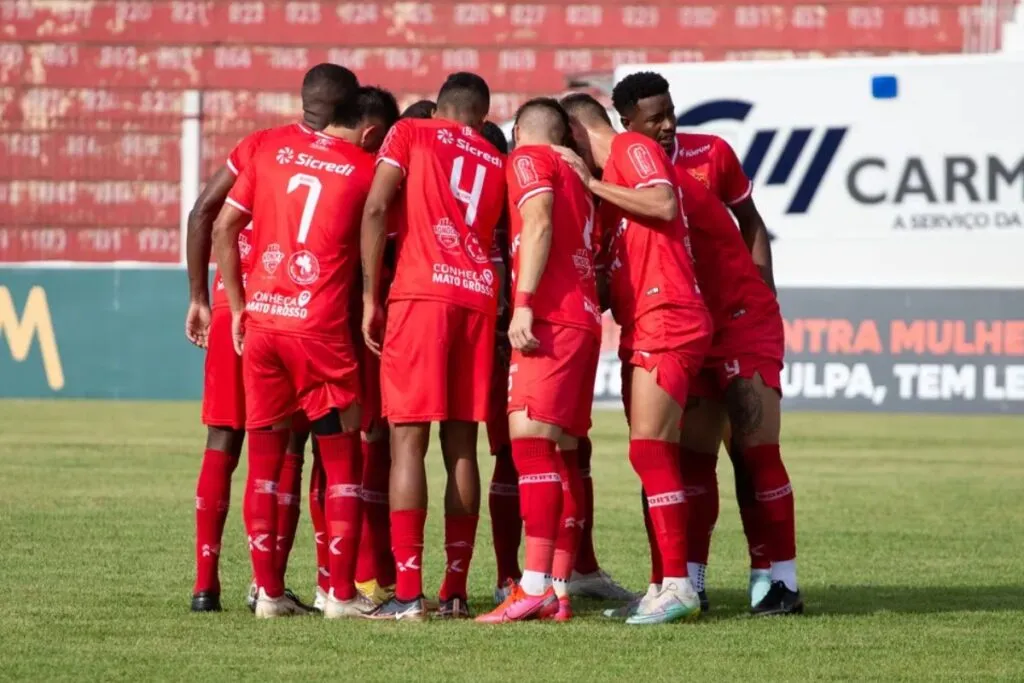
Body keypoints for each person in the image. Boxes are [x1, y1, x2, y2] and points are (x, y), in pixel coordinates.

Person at [612, 71, 802, 615]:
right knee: (691, 461)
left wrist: (761, 294)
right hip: (685, 330)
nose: (670, 125)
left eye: (671, 112)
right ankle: (688, 583)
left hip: (741, 323)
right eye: (656, 119)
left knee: (754, 450)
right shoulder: (625, 171)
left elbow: (752, 223)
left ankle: (778, 581)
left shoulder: (711, 153)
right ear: (629, 124)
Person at [184, 63, 359, 613]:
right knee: (294, 450)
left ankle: (205, 585)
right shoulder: (352, 163)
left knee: (225, 443)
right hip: (295, 311)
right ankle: (274, 585)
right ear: (351, 111)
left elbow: (204, 211)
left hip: (241, 306)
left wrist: (199, 297)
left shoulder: (262, 145)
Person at [211, 84, 390, 620]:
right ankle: (339, 594)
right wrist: (367, 298)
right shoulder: (363, 169)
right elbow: (382, 229)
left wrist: (238, 305)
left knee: (264, 464)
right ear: (370, 131)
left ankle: (267, 594)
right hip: (319, 331)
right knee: (341, 461)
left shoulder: (269, 153)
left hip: (263, 325)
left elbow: (222, 225)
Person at [558, 93, 711, 625]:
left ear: (579, 133)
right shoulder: (610, 202)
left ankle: (679, 586)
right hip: (644, 322)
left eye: (565, 142)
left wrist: (590, 182)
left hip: (667, 315)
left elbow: (664, 203)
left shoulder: (630, 147)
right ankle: (660, 584)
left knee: (651, 453)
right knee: (654, 456)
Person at [361, 72, 507, 621]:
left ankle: (406, 594)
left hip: (422, 294)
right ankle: (454, 592)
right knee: (463, 449)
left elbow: (376, 208)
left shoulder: (412, 133)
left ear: (440, 108)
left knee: (407, 444)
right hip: (476, 299)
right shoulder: (496, 160)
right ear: (481, 117)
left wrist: (372, 295)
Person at [477, 98, 600, 623]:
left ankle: (531, 588)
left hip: (550, 318)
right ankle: (558, 586)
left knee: (530, 450)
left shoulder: (528, 160)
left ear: (519, 132)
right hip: (585, 319)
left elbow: (539, 220)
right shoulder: (578, 176)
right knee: (565, 455)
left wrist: (522, 305)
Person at [477, 121, 525, 603]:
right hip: (490, 339)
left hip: (493, 340)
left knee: (505, 456)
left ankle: (508, 575)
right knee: (505, 456)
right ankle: (507, 576)